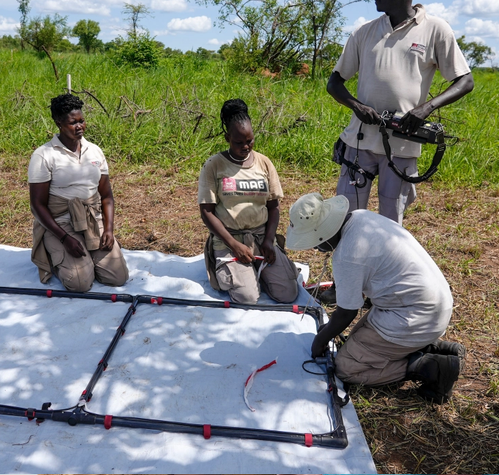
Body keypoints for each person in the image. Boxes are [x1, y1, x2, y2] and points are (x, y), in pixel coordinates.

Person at [327, 0, 474, 225]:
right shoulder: (365, 31)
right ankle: (351, 264)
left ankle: (385, 266)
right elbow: (334, 83)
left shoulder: (435, 29)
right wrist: (357, 106)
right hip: (359, 141)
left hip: (403, 144)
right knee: (347, 218)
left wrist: (426, 108)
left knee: (391, 223)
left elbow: (465, 81)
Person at [286, 192, 465, 404]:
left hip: (415, 316)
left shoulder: (347, 255)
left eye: (315, 243)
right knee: (356, 339)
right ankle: (432, 347)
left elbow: (347, 312)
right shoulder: (361, 217)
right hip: (433, 304)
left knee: (347, 366)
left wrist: (320, 340)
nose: (316, 248)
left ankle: (432, 367)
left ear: (324, 233)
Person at [198, 99, 299, 305]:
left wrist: (269, 241)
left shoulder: (264, 162)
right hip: (229, 239)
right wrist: (234, 245)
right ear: (227, 138)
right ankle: (241, 272)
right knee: (247, 297)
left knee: (287, 294)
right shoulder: (214, 165)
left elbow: (273, 206)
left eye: (250, 141)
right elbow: (206, 212)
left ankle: (258, 270)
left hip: (261, 237)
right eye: (239, 142)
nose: (246, 147)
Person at [28, 93, 129, 292]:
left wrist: (108, 229)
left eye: (82, 121)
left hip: (91, 220)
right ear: (59, 124)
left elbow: (107, 195)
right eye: (73, 123)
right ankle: (52, 257)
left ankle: (88, 257)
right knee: (79, 283)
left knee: (118, 277)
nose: (79, 126)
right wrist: (64, 238)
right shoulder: (44, 155)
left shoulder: (94, 151)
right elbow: (37, 205)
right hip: (61, 222)